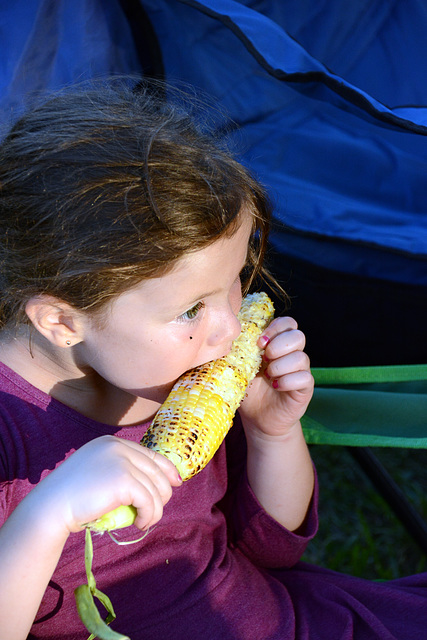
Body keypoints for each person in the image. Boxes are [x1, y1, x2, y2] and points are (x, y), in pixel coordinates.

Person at [0, 80, 425, 640]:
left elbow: (272, 548)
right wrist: (43, 516)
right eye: (189, 311)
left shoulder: (169, 371)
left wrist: (272, 432)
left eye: (235, 282)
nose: (228, 326)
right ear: (61, 321)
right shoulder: (11, 430)